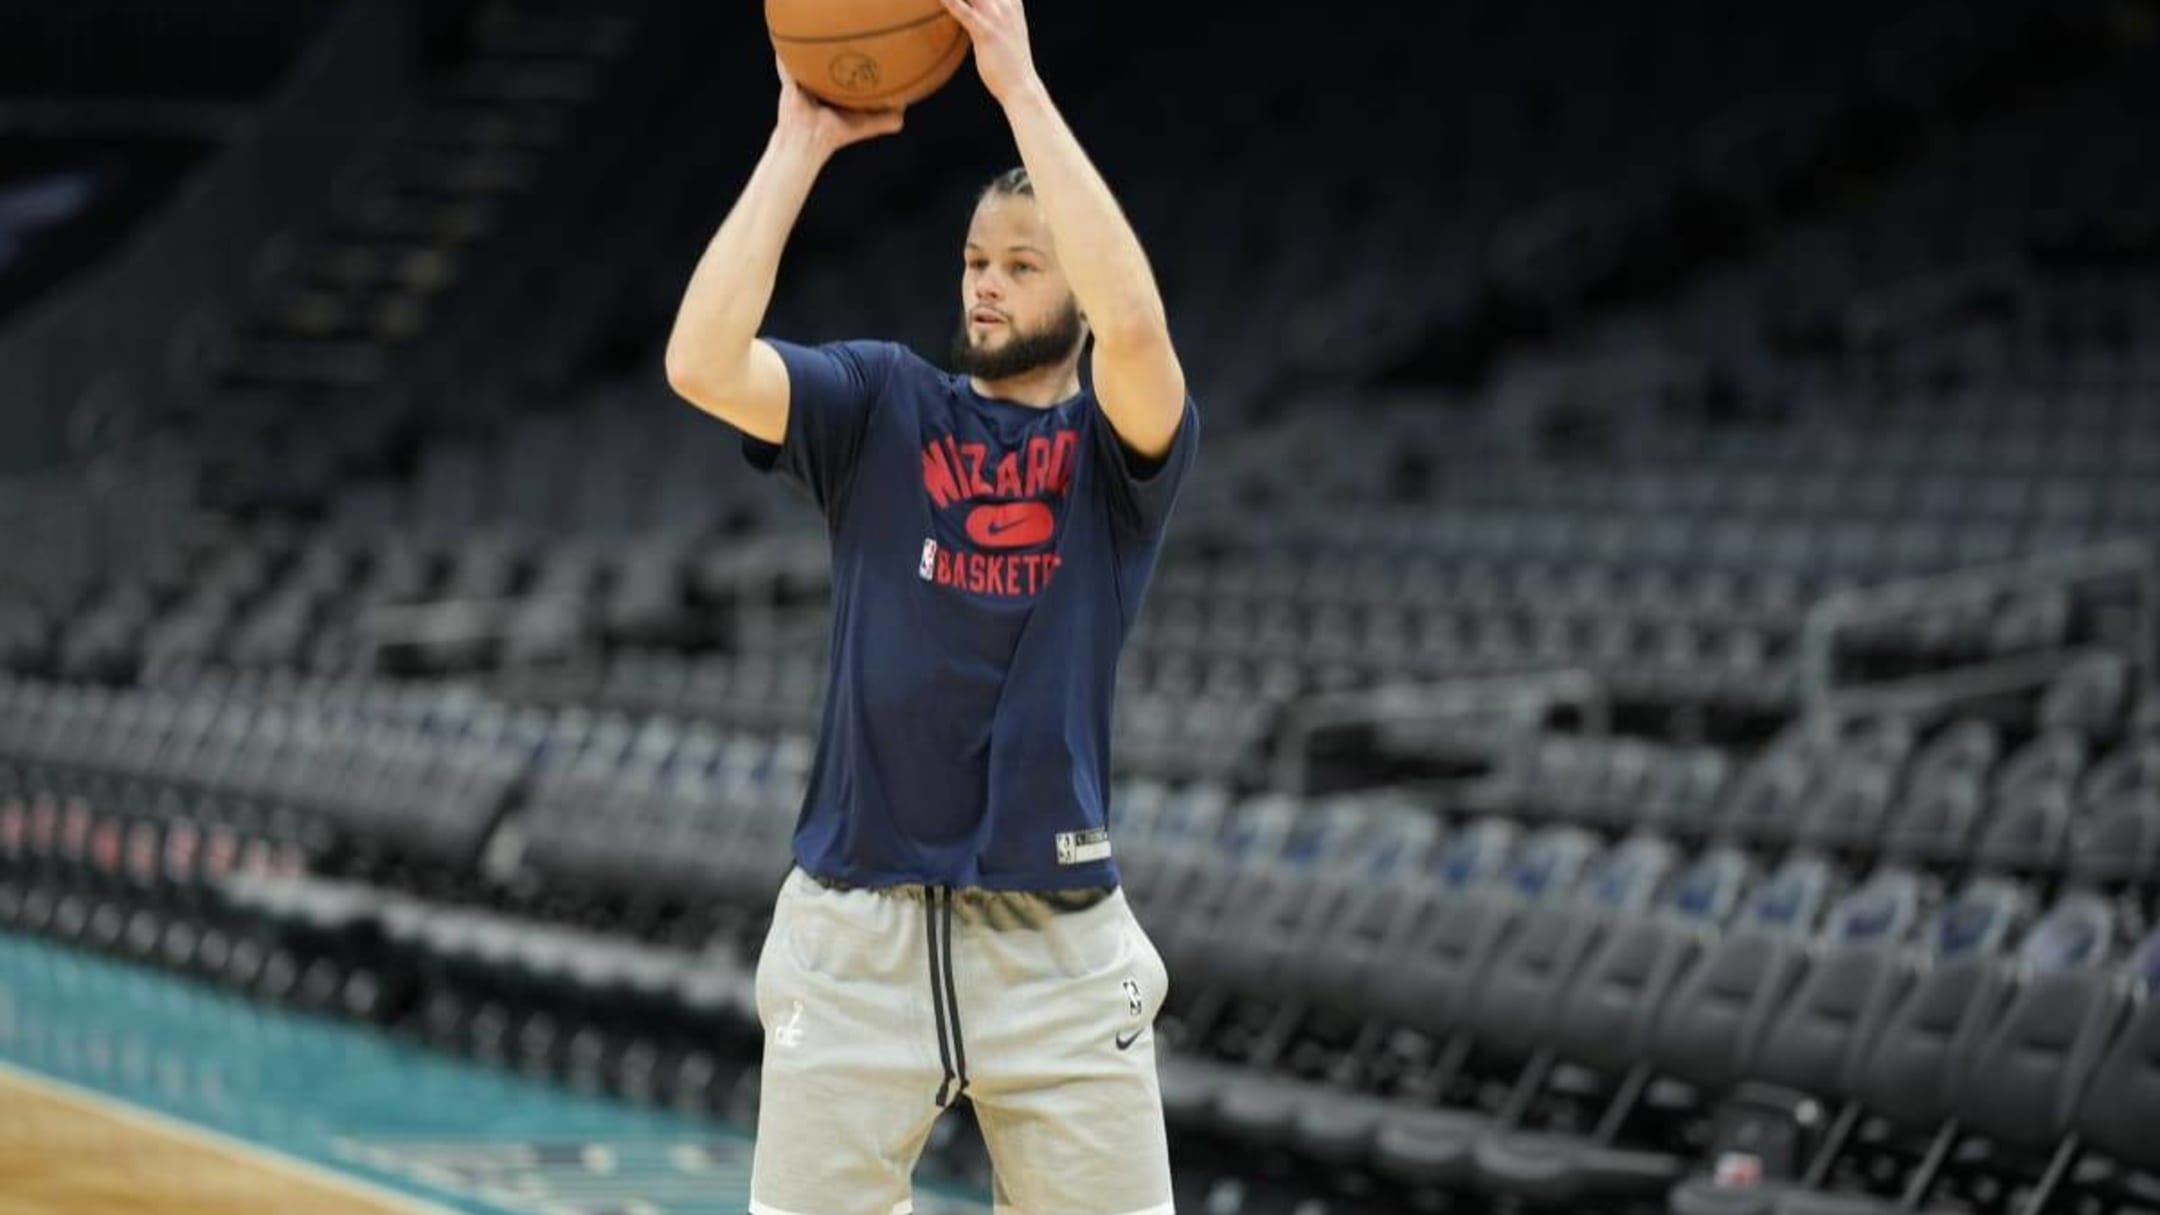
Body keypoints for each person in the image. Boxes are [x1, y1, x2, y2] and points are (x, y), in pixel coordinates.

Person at [663, 1, 1197, 1211]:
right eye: (974, 262)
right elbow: (700, 360)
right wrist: (797, 142)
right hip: (856, 935)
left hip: (1056, 950)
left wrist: (1014, 81)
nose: (988, 286)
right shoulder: (880, 405)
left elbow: (1140, 326)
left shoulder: (1116, 456)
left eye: (1022, 263)